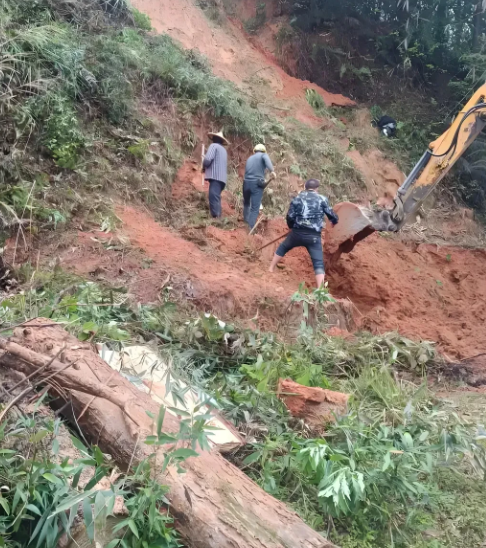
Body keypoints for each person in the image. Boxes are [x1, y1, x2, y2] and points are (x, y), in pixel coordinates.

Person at [269, 179, 338, 288]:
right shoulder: (322, 199)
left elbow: (290, 216)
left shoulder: (297, 198)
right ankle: (320, 289)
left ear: (305, 187)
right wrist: (334, 222)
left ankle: (271, 269)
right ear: (317, 189)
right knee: (318, 262)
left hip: (297, 233)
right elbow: (331, 214)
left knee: (283, 247)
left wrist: (291, 227)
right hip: (314, 236)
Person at [243, 144, 276, 230]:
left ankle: (246, 220)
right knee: (255, 208)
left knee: (246, 203)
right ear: (263, 151)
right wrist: (272, 171)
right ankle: (250, 228)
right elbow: (266, 160)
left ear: (255, 150)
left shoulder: (250, 158)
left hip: (246, 182)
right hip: (256, 184)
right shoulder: (263, 155)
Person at [203, 131, 229, 218]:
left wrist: (203, 166)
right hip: (222, 179)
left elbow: (207, 159)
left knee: (213, 196)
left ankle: (216, 217)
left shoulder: (214, 146)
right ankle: (219, 218)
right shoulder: (224, 150)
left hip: (215, 177)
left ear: (214, 139)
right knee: (216, 197)